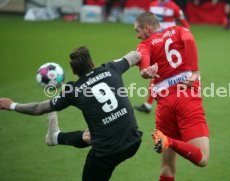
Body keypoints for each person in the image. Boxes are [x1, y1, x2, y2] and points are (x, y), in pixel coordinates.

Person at [0, 46, 142, 181]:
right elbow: (136, 55)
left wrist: (12, 105)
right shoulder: (111, 68)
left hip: (106, 153)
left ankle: (55, 137)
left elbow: (39, 108)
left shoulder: (73, 91)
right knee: (90, 135)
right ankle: (55, 137)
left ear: (74, 72)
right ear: (92, 62)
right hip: (133, 141)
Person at [134, 12, 209, 181]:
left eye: (137, 31)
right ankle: (169, 140)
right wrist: (195, 71)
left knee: (167, 167)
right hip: (186, 96)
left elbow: (144, 66)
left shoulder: (144, 46)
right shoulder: (178, 30)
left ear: (147, 28)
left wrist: (145, 72)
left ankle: (167, 140)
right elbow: (189, 41)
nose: (137, 36)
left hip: (164, 104)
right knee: (203, 158)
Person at [134, 0, 190, 114]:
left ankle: (158, 105)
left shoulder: (173, 7)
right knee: (157, 74)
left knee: (162, 74)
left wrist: (184, 37)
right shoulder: (152, 5)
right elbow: (147, 21)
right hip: (156, 44)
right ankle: (150, 105)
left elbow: (185, 23)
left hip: (169, 43)